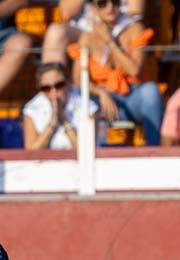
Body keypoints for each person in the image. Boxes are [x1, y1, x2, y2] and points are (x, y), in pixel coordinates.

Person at [66, 0, 162, 145]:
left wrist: (110, 42)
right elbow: (78, 79)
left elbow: (134, 70)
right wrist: (101, 93)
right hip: (102, 99)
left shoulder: (134, 29)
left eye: (115, 2)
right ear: (94, 8)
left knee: (151, 91)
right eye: (103, 3)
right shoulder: (87, 37)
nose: (110, 7)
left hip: (131, 96)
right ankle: (91, 151)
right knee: (84, 101)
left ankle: (155, 150)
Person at [41, 0, 143, 66]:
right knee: (55, 32)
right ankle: (54, 86)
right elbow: (66, 13)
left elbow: (135, 14)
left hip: (120, 29)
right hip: (84, 31)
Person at [22, 62, 97, 149]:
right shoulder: (32, 109)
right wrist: (52, 124)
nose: (53, 91)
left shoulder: (86, 106)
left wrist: (65, 121)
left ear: (68, 83)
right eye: (46, 88)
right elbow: (31, 151)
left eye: (59, 85)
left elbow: (85, 150)